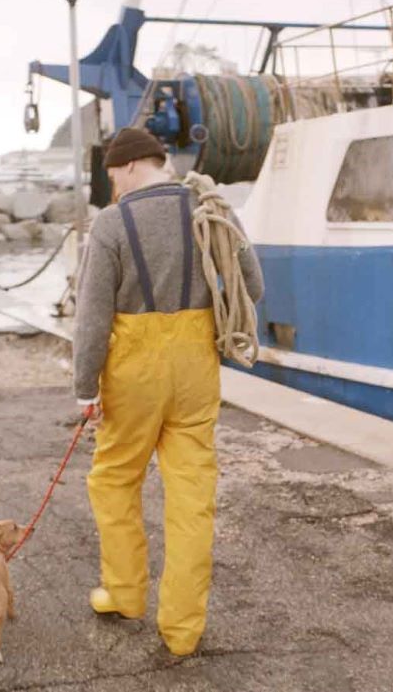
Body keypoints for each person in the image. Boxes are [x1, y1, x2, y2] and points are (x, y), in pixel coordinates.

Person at [73, 127, 264, 656]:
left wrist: (84, 389)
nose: (113, 188)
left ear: (131, 166)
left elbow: (91, 317)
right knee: (191, 498)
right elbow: (254, 284)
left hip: (134, 368)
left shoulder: (112, 224)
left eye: (113, 177)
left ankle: (125, 594)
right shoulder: (211, 206)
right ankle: (183, 630)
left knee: (114, 479)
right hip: (197, 364)